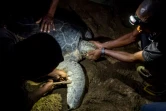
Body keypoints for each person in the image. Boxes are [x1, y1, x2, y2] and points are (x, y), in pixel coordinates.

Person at [87, 0, 165, 96]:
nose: (139, 27)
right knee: (143, 35)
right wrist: (103, 45)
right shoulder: (149, 21)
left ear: (154, 24)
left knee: (153, 61)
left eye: (142, 24)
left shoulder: (161, 43)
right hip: (154, 34)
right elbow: (132, 37)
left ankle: (161, 87)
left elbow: (132, 57)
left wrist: (103, 51)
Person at [0, 27, 68, 110]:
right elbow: (24, 105)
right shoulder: (12, 87)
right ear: (34, 74)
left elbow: (27, 56)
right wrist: (44, 89)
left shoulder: (5, 36)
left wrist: (50, 71)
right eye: (44, 72)